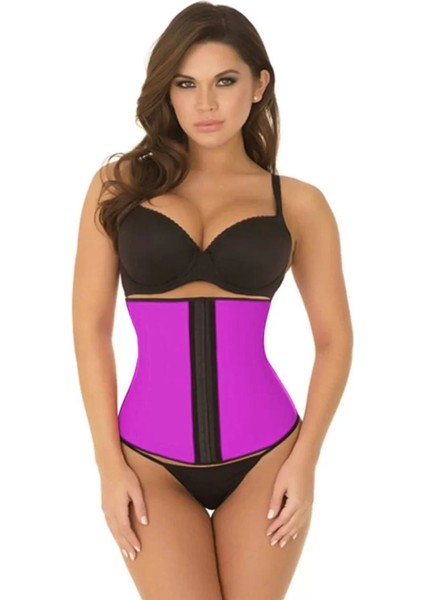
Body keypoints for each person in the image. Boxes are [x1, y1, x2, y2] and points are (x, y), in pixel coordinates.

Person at [72, 2, 353, 598]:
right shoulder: (119, 186)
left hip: (267, 457)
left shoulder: (298, 203)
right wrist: (108, 465)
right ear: (166, 91)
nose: (205, 103)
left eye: (225, 81)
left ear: (259, 85)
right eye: (186, 84)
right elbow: (91, 327)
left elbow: (334, 341)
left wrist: (305, 462)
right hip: (148, 460)